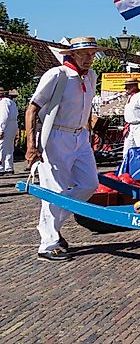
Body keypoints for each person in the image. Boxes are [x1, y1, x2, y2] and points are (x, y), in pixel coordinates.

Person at [24, 37, 102, 262]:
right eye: (84, 54)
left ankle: (52, 227)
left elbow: (85, 108)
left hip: (80, 136)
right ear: (73, 54)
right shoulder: (57, 75)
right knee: (54, 189)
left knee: (89, 184)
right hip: (56, 135)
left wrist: (89, 130)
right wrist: (31, 146)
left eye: (92, 54)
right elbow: (32, 109)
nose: (89, 58)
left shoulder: (92, 76)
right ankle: (47, 244)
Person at [122, 78, 140, 159]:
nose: (125, 88)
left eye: (127, 86)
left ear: (133, 86)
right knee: (127, 150)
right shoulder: (130, 97)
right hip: (130, 127)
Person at [0, 87, 18, 174]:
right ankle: (9, 167)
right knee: (9, 147)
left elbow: (4, 116)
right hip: (13, 125)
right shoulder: (12, 102)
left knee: (1, 146)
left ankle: (1, 167)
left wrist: (1, 129)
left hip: (6, 125)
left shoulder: (4, 102)